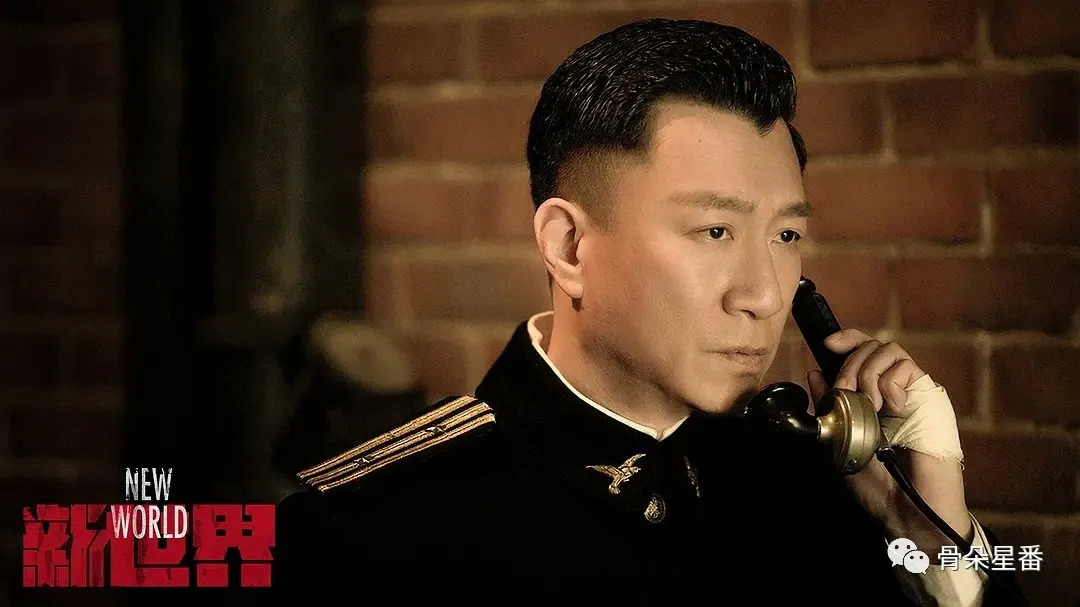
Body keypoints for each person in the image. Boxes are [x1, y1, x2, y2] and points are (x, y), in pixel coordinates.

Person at [273, 19, 1026, 604]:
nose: (764, 294)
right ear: (568, 245)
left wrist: (929, 543)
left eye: (786, 235)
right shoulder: (363, 531)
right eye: (715, 231)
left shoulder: (830, 489)